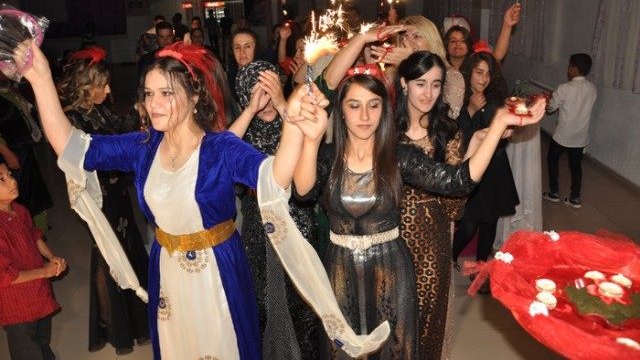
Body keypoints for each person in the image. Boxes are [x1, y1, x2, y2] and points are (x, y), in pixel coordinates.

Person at [19, 40, 338, 360]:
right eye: (148, 93)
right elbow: (71, 146)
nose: (153, 103)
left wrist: (294, 127)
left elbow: (274, 178)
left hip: (217, 272)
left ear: (194, 96)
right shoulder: (143, 147)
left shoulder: (221, 148)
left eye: (166, 93)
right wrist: (41, 78)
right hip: (167, 270)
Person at [296, 24, 546, 358]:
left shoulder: (398, 155)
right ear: (340, 110)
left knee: (393, 350)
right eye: (354, 106)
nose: (364, 116)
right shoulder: (329, 157)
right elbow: (303, 192)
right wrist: (310, 140)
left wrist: (499, 122)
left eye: (373, 105)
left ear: (384, 109)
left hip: (391, 271)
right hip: (340, 272)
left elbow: (457, 181)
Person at [57, 46, 149, 354]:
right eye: (103, 85)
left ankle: (136, 319)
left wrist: (137, 110)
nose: (109, 91)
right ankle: (114, 325)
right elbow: (87, 161)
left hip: (117, 194)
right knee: (107, 255)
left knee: (128, 246)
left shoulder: (98, 109)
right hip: (96, 199)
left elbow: (120, 130)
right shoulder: (71, 120)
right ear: (86, 85)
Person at [230, 60, 319, 360]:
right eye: (259, 93)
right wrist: (249, 111)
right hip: (258, 226)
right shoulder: (243, 130)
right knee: (263, 300)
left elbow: (310, 166)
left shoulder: (294, 120)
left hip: (298, 220)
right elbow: (219, 156)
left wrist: (284, 104)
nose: (266, 100)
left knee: (302, 301)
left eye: (271, 91)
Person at [395, 51, 467, 359]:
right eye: (420, 83)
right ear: (404, 83)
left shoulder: (447, 132)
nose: (428, 93)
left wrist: (464, 169)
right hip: (388, 241)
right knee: (391, 322)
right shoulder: (384, 130)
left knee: (427, 323)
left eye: (436, 85)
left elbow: (454, 208)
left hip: (431, 245)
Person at [452, 50, 520, 278]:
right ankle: (449, 256)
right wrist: (470, 110)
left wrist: (507, 131)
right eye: (479, 72)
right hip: (471, 169)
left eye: (488, 74)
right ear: (469, 72)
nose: (483, 78)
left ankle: (480, 270)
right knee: (469, 225)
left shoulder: (496, 100)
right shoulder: (457, 96)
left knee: (490, 223)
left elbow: (502, 140)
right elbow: (457, 141)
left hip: (496, 170)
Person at [0, 159, 67, 360]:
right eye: (1, 179)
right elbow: (6, 276)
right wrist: (45, 272)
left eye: (10, 175)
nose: (12, 181)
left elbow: (35, 235)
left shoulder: (20, 210)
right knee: (26, 350)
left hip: (38, 293)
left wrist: (52, 258)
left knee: (42, 340)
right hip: (17, 306)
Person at [0, 72, 53, 232]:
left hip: (23, 147)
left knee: (33, 188)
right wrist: (8, 154)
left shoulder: (8, 89)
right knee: (19, 191)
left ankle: (37, 228)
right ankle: (25, 230)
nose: (7, 72)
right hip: (11, 151)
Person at [543, 53, 597, 208]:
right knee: (576, 166)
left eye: (569, 66)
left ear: (574, 68)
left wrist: (549, 101)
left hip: (563, 135)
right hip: (580, 136)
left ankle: (554, 192)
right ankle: (575, 198)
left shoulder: (564, 88)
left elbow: (551, 108)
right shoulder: (592, 88)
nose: (568, 69)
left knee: (552, 159)